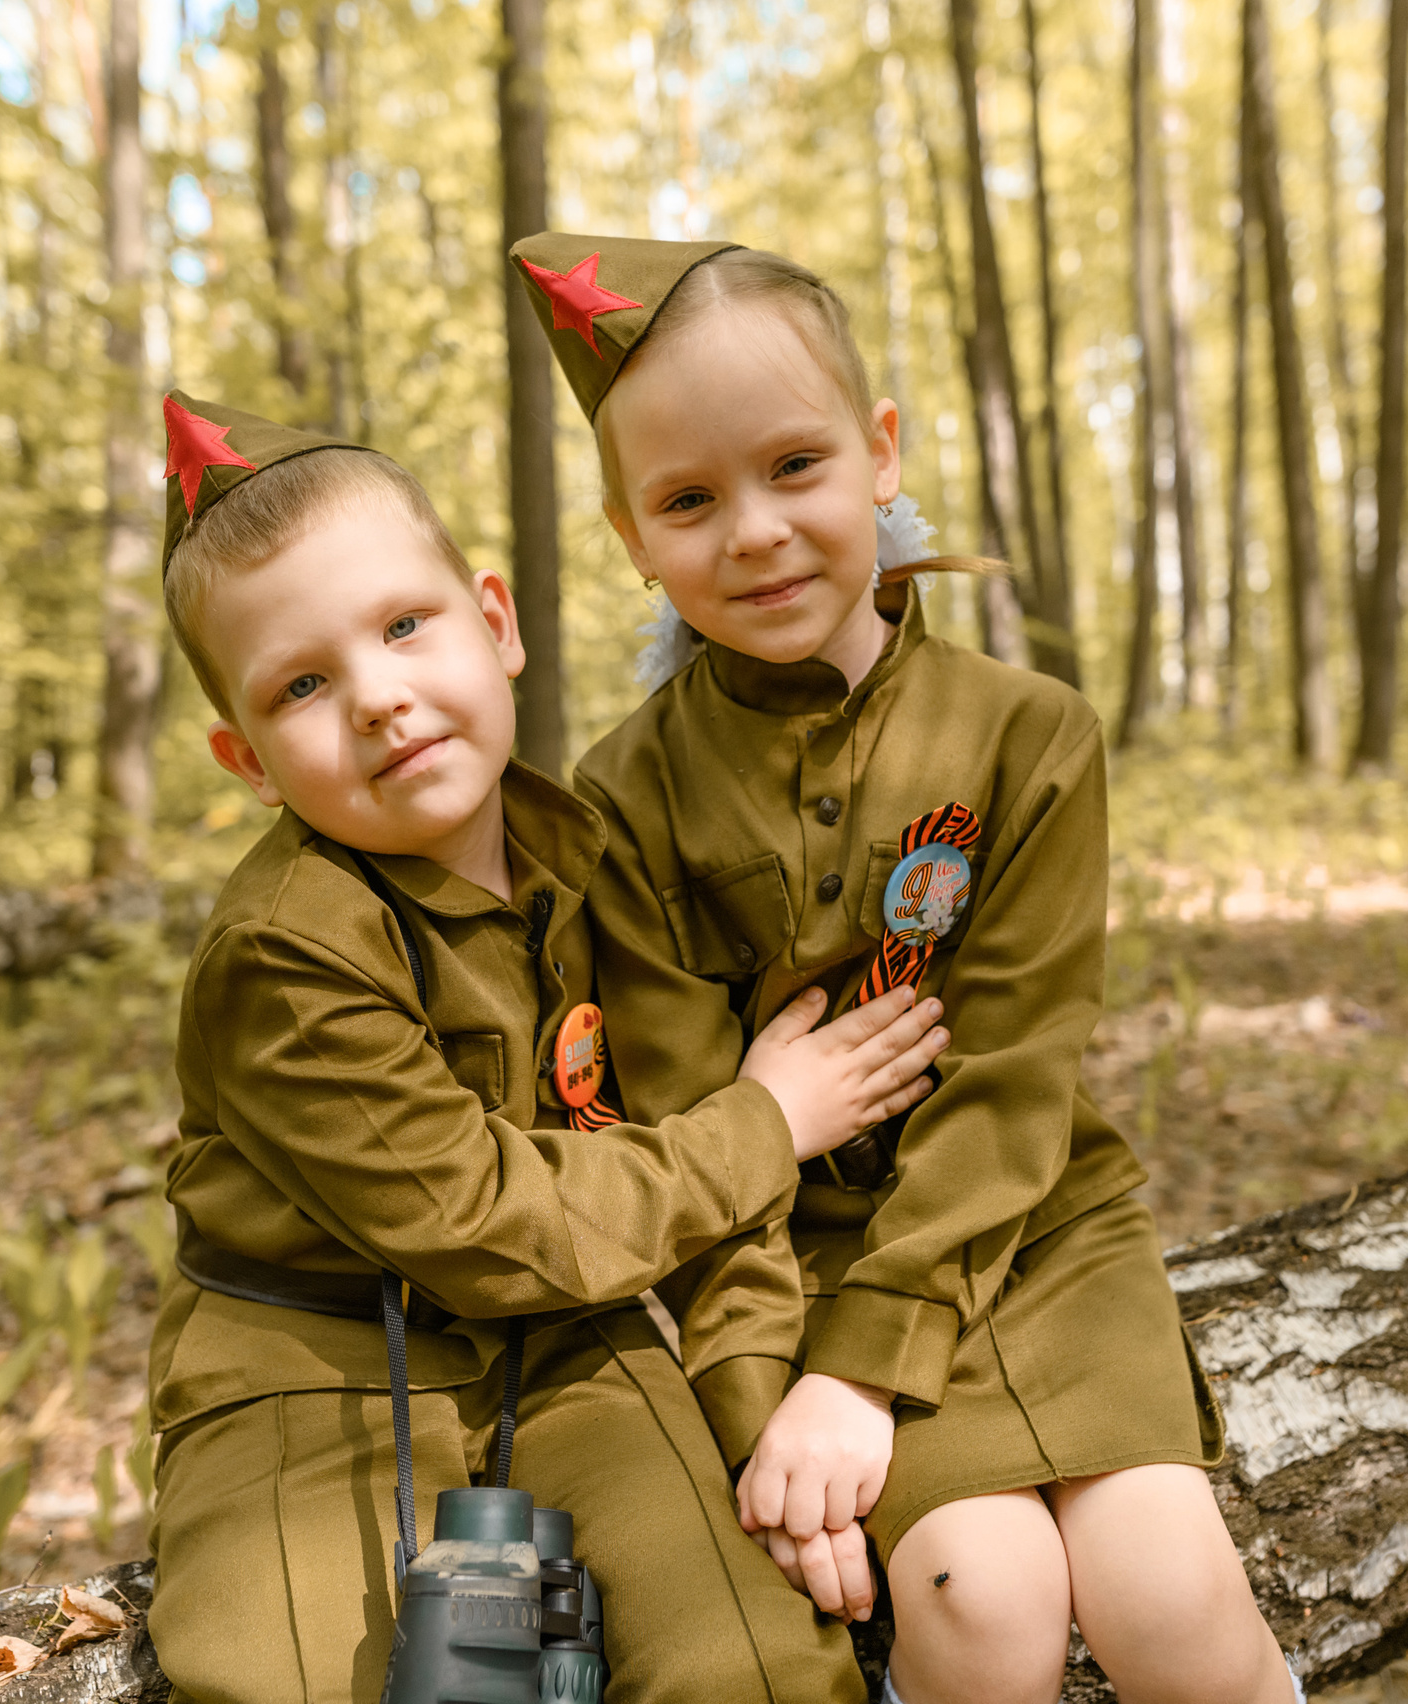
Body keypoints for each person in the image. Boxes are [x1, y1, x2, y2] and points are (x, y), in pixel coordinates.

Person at [512, 236, 1298, 1704]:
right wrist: (773, 1416)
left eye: (794, 466)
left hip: (1040, 1226)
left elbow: (1014, 1077)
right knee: (974, 1594)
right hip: (806, 1263)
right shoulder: (624, 796)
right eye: (690, 501)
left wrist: (864, 1375)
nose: (753, 533)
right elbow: (698, 1138)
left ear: (879, 455)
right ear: (632, 537)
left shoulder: (1027, 734)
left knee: (1170, 1596)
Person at [143, 391, 949, 1704]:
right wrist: (767, 1123)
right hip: (314, 1375)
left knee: (747, 1660)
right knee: (289, 1675)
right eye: (303, 684)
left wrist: (767, 1429)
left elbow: (685, 1173)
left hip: (571, 1340)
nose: (380, 699)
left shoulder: (591, 853)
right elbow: (492, 1220)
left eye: (406, 626)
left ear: (496, 624)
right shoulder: (287, 954)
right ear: (249, 761)